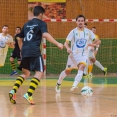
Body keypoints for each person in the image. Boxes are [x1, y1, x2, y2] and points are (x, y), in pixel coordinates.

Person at [9, 6, 63, 105]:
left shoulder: (26, 24)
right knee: (40, 72)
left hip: (25, 51)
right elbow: (45, 35)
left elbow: (19, 38)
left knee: (26, 74)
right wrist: (58, 43)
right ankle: (29, 94)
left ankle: (13, 91)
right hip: (34, 50)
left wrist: (21, 50)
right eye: (43, 15)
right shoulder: (42, 23)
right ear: (41, 14)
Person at [56, 15, 101, 92]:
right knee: (67, 72)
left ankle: (74, 86)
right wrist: (68, 48)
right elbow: (66, 43)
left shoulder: (88, 32)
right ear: (76, 22)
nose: (80, 22)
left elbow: (98, 41)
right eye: (79, 21)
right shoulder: (73, 32)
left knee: (82, 66)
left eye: (82, 21)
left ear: (84, 22)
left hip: (83, 55)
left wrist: (93, 44)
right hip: (73, 55)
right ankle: (58, 83)